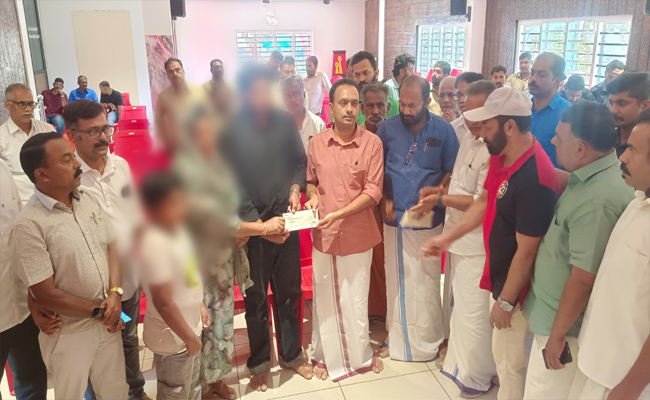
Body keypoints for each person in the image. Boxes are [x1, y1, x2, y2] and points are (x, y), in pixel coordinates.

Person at [423, 87, 560, 400]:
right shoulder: (503, 156)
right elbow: (484, 201)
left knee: (509, 362)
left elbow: (527, 252)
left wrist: (507, 302)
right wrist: (447, 238)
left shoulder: (533, 178)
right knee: (502, 356)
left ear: (509, 126)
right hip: (499, 271)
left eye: (487, 125)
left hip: (519, 287)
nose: (481, 132)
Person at [522, 101, 633, 399]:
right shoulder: (592, 174)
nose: (553, 141)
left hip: (565, 329)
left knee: (544, 392)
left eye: (560, 137)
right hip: (553, 314)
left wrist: (558, 335)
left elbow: (584, 278)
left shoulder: (598, 201)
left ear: (581, 148)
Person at [9, 132, 128, 399]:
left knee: (116, 390)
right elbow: (45, 294)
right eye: (66, 159)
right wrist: (100, 312)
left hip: (107, 320)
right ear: (42, 174)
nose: (77, 163)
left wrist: (115, 294)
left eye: (73, 155)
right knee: (70, 394)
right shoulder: (29, 225)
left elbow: (112, 246)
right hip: (69, 332)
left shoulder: (87, 200)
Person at [222, 64, 312, 392]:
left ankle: (292, 354)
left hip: (286, 224)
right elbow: (232, 182)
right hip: (253, 231)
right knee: (256, 298)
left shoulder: (284, 121)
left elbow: (298, 162)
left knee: (289, 293)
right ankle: (260, 363)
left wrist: (295, 190)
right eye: (255, 90)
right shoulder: (232, 129)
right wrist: (262, 226)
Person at [60, 100, 149, 400]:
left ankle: (136, 392)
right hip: (95, 287)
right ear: (73, 135)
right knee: (98, 349)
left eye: (105, 128)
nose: (103, 137)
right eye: (93, 131)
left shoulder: (119, 165)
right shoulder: (69, 176)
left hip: (128, 279)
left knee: (128, 337)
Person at [305, 78, 385, 381]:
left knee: (356, 298)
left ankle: (359, 353)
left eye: (354, 103)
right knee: (325, 298)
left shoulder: (372, 144)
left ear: (359, 108)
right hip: (324, 234)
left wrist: (338, 213)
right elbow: (311, 182)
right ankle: (324, 356)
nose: (349, 109)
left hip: (358, 234)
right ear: (331, 108)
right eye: (343, 103)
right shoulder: (317, 143)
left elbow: (373, 191)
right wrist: (313, 198)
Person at [376, 75, 459, 362]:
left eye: (413, 105)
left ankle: (429, 337)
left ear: (427, 100)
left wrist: (438, 193)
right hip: (395, 217)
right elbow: (376, 171)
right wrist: (384, 200)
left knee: (426, 279)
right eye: (403, 104)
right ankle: (396, 336)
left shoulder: (444, 131)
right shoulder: (387, 129)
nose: (406, 110)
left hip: (428, 217)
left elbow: (450, 171)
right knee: (397, 279)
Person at [569, 108, 650, 400]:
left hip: (626, 378)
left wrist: (632, 386)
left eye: (633, 150)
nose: (622, 157)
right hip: (599, 358)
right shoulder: (638, 200)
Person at [434, 80, 497, 398]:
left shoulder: (494, 149)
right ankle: (459, 365)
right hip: (457, 237)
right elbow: (460, 183)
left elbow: (479, 201)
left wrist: (440, 199)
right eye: (465, 111)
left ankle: (477, 376)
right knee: (459, 307)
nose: (467, 119)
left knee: (474, 313)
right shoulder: (469, 137)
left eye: (476, 113)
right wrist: (443, 190)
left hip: (476, 244)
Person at [138, 172, 205, 400]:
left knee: (192, 386)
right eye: (174, 202)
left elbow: (190, 273)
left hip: (191, 328)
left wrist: (201, 305)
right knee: (175, 391)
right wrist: (189, 338)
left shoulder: (180, 231)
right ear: (155, 208)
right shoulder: (155, 244)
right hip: (174, 339)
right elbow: (163, 302)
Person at [0, 157, 48, 400]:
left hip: (22, 305)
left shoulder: (2, 168)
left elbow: (19, 232)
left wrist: (33, 291)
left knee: (32, 381)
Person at [1, 83, 54, 205]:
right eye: (22, 104)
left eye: (31, 104)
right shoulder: (2, 138)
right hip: (22, 204)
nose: (28, 109)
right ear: (7, 105)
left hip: (54, 198)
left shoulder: (47, 130)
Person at [155, 57, 209, 153]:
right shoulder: (163, 97)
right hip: (177, 149)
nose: (175, 74)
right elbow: (159, 122)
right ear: (167, 75)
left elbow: (208, 116)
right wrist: (166, 143)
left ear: (183, 71)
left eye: (177, 70)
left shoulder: (198, 91)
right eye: (171, 71)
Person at [529, 52, 571, 168]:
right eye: (532, 73)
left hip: (552, 178)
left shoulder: (568, 114)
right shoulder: (521, 109)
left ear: (556, 81)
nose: (533, 79)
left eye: (541, 75)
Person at [607, 72, 650, 156]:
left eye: (622, 103)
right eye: (611, 103)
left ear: (645, 106)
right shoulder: (604, 139)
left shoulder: (646, 147)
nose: (612, 110)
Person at [350, 51, 399, 125]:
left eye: (365, 73)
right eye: (357, 75)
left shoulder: (394, 106)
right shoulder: (351, 107)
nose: (361, 79)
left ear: (376, 73)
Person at [282, 75, 326, 153]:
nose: (293, 100)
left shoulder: (317, 123)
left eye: (296, 93)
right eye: (288, 95)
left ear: (304, 95)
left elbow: (324, 153)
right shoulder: (278, 126)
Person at [451, 73, 486, 143]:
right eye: (459, 95)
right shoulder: (453, 128)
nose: (462, 100)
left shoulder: (491, 126)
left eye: (467, 94)